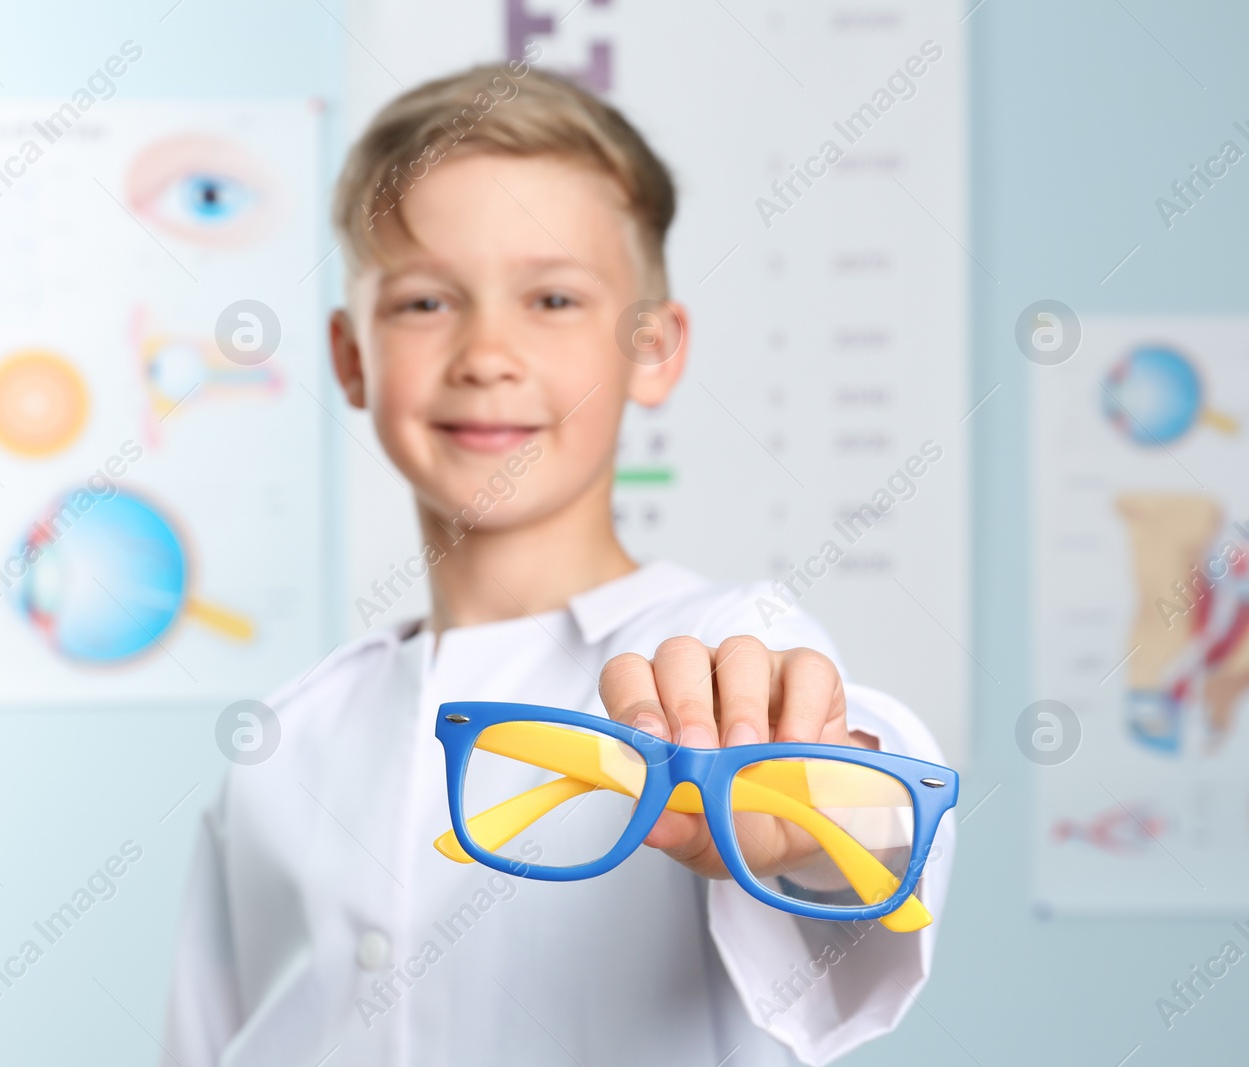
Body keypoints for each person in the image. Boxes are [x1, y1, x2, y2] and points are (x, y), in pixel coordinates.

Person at [164, 60, 954, 1067]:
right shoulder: (283, 742)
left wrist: (812, 808)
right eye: (421, 303)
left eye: (551, 298)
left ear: (654, 348)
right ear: (350, 356)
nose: (486, 353)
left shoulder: (722, 648)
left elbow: (867, 786)